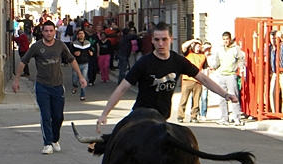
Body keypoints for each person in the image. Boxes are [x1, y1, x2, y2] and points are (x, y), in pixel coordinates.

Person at [96, 22, 239, 134]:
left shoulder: (178, 61)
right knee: (118, 135)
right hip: (141, 115)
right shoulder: (144, 63)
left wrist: (225, 94)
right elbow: (121, 89)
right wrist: (104, 114)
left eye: (164, 39)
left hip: (162, 117)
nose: (160, 43)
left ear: (171, 39)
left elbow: (204, 79)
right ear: (152, 40)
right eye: (157, 40)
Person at [12, 20, 87, 154]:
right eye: (46, 31)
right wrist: (16, 80)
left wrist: (81, 77)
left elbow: (71, 60)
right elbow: (23, 62)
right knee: (46, 115)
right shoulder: (36, 47)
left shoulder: (60, 45)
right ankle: (47, 144)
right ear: (42, 32)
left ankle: (54, 139)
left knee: (58, 116)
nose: (48, 33)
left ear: (55, 32)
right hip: (42, 86)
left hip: (58, 86)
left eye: (51, 31)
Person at [210, 31, 245, 126]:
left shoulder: (235, 49)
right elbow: (217, 61)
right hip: (221, 74)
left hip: (231, 75)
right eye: (224, 39)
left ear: (230, 39)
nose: (225, 41)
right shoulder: (220, 49)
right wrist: (213, 66)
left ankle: (237, 118)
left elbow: (241, 59)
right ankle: (224, 118)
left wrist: (241, 67)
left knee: (234, 96)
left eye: (227, 39)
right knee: (222, 97)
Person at [177, 38, 206, 123]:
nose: (197, 47)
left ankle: (194, 116)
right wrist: (192, 40)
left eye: (199, 45)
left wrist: (205, 81)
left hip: (198, 81)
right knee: (184, 99)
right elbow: (183, 46)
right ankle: (180, 115)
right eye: (196, 45)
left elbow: (205, 68)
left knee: (196, 101)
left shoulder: (203, 56)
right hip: (187, 79)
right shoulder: (188, 53)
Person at [71, 29, 92, 100]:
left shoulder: (88, 43)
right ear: (77, 35)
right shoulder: (74, 44)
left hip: (85, 63)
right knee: (75, 78)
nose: (81, 35)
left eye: (82, 33)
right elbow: (70, 52)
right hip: (76, 64)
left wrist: (91, 53)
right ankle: (75, 85)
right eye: (79, 33)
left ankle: (82, 95)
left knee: (84, 79)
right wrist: (74, 53)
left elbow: (92, 50)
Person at [269, 30, 283, 113]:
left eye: (275, 38)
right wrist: (255, 40)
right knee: (272, 93)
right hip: (274, 73)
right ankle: (275, 112)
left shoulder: (282, 46)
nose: (273, 40)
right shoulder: (270, 47)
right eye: (272, 38)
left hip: (282, 72)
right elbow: (257, 52)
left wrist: (281, 37)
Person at [200, 42, 213, 121]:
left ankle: (203, 113)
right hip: (198, 79)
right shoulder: (201, 56)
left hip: (207, 79)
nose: (207, 51)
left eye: (209, 49)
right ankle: (196, 113)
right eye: (205, 49)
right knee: (197, 97)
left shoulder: (212, 57)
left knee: (204, 97)